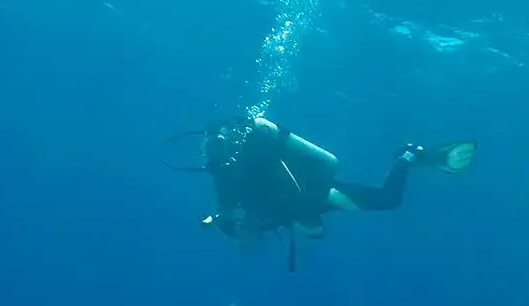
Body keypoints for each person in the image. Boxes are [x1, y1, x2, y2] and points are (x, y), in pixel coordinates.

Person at [193, 114, 475, 269]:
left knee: (389, 200)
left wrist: (311, 203)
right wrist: (227, 224)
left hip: (316, 193)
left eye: (218, 144)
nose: (214, 153)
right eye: (209, 147)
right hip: (296, 212)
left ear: (232, 139)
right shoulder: (222, 177)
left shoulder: (259, 147)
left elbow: (328, 162)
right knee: (314, 231)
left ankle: (409, 156)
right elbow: (232, 215)